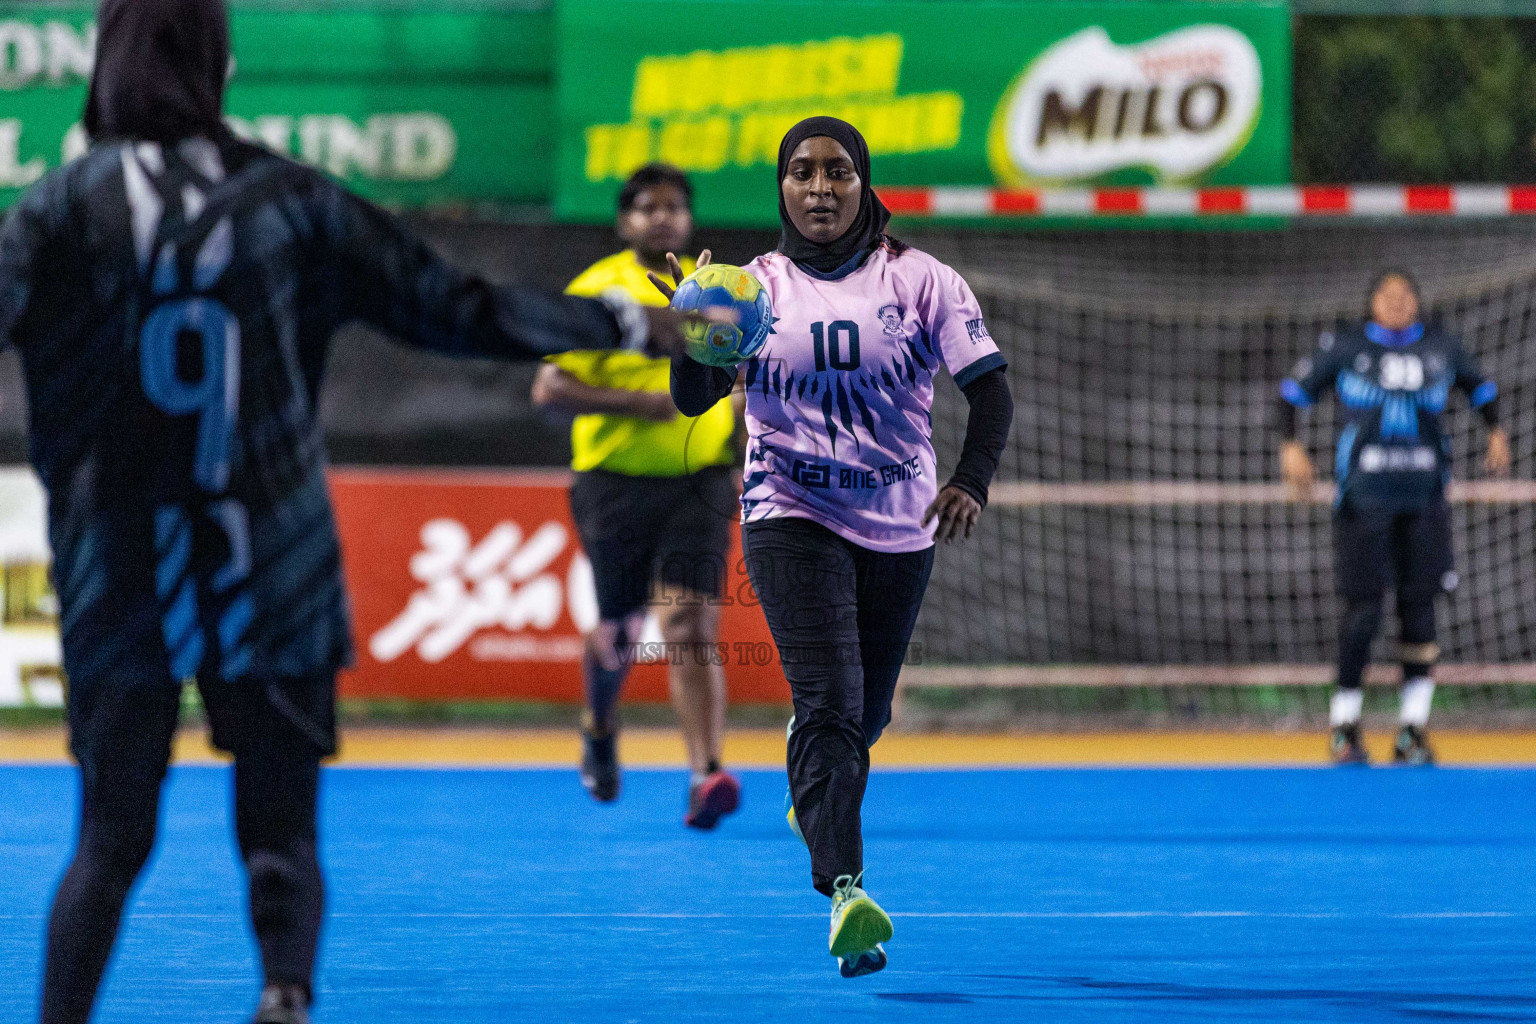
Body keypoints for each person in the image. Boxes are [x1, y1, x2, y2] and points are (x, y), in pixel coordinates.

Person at [0, 2, 711, 1022]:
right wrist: (629, 319)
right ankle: (285, 992)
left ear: (101, 62)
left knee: (110, 840)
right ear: (221, 63)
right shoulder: (289, 202)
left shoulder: (57, 209)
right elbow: (457, 305)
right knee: (280, 830)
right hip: (274, 566)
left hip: (118, 570)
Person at [663, 117, 1013, 977]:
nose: (820, 188)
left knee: (865, 717)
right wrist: (695, 328)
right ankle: (847, 895)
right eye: (802, 173)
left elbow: (992, 396)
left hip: (900, 522)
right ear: (781, 187)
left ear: (865, 185)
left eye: (839, 172)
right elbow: (691, 401)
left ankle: (813, 784)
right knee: (828, 701)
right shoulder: (749, 287)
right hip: (788, 511)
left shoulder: (923, 281)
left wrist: (968, 481)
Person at [532, 165, 742, 828]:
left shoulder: (721, 294)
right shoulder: (596, 292)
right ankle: (599, 726)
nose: (662, 218)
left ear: (689, 219)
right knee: (620, 629)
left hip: (699, 480)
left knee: (689, 627)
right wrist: (642, 404)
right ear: (625, 221)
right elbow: (549, 390)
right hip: (613, 482)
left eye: (674, 207)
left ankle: (706, 773)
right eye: (648, 208)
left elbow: (750, 373)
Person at [1278, 270, 1510, 767]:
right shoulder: (1346, 346)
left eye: (1407, 295)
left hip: (1425, 499)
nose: (1398, 302)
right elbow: (1291, 395)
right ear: (1373, 302)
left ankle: (1413, 730)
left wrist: (1496, 432)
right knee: (1363, 611)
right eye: (1389, 295)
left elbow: (1482, 390)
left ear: (1417, 302)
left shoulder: (1441, 347)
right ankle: (1344, 726)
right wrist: (1291, 446)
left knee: (1420, 610)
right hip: (1365, 502)